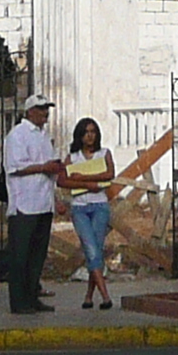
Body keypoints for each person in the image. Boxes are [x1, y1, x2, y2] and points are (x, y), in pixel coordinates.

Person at [0, 90, 65, 315]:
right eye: (41, 109)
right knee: (20, 256)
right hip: (24, 203)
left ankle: (32, 296)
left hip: (43, 201)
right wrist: (43, 167)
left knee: (37, 255)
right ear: (30, 111)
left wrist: (56, 196)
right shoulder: (18, 135)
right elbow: (15, 167)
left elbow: (50, 169)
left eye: (46, 109)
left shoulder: (43, 136)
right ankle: (18, 301)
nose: (45, 113)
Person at [61, 117, 117, 310]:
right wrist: (87, 185)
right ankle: (105, 296)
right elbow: (64, 180)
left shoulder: (104, 153)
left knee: (96, 250)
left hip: (100, 206)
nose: (90, 136)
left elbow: (110, 174)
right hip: (80, 208)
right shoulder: (73, 157)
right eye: (86, 132)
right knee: (91, 248)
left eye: (93, 131)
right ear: (80, 135)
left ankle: (88, 296)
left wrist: (84, 178)